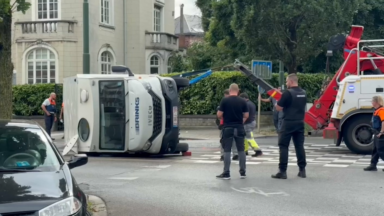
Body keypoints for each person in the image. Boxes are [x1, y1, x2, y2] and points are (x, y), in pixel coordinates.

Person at [272, 74, 307, 179]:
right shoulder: (303, 93)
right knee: (299, 146)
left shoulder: (288, 93)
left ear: (291, 82)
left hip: (288, 122)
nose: (286, 83)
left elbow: (278, 108)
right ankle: (302, 170)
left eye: (287, 81)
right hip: (300, 122)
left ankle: (282, 171)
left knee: (283, 146)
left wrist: (276, 102)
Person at [216, 83, 248, 180]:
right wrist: (240, 121)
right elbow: (246, 115)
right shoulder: (243, 101)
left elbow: (219, 114)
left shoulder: (225, 100)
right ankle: (242, 172)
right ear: (238, 91)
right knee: (241, 150)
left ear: (230, 91)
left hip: (228, 127)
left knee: (227, 150)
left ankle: (226, 173)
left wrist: (224, 117)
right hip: (239, 128)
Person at [364, 95, 384, 172]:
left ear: (376, 102)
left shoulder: (381, 110)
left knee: (380, 150)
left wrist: (381, 132)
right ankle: (373, 165)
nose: (371, 103)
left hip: (380, 133)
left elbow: (383, 121)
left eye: (372, 101)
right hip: (377, 133)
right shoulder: (377, 110)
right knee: (375, 149)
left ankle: (373, 165)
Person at [239, 92, 263, 157]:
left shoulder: (246, 105)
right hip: (252, 121)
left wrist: (241, 122)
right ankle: (245, 150)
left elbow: (246, 115)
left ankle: (258, 151)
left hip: (247, 123)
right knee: (245, 137)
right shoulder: (251, 103)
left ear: (244, 98)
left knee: (249, 138)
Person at [217, 89, 238, 161]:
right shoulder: (237, 102)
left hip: (225, 124)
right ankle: (235, 154)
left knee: (223, 141)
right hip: (235, 124)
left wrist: (220, 123)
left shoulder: (223, 102)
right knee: (234, 140)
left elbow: (219, 115)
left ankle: (223, 155)